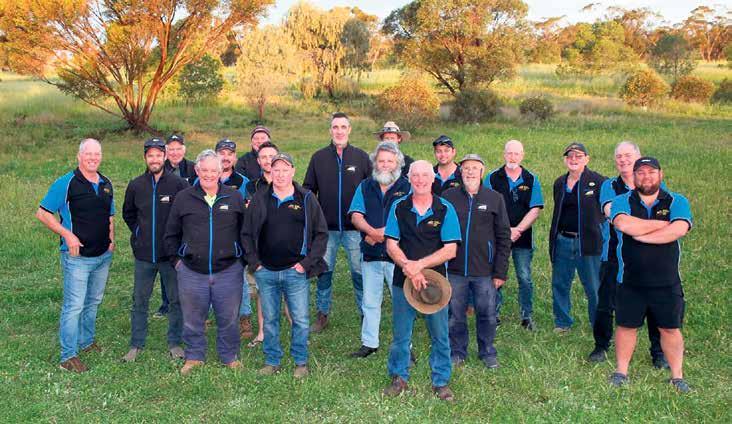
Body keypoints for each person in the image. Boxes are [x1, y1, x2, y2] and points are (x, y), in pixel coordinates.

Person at [608, 157, 692, 393]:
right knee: (626, 326)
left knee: (670, 328)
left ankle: (677, 377)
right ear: (634, 176)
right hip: (630, 280)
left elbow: (679, 229)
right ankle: (621, 372)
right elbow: (624, 225)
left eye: (651, 172)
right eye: (641, 172)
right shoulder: (621, 200)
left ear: (660, 174)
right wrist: (663, 224)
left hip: (666, 282)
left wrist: (643, 235)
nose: (646, 176)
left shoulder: (677, 200)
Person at [242, 153, 328, 378]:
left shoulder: (306, 198)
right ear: (270, 172)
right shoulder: (260, 198)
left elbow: (321, 234)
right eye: (276, 170)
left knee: (300, 319)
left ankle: (300, 361)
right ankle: (272, 361)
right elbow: (246, 233)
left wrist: (306, 264)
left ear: (293, 171)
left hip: (295, 271)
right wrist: (254, 263)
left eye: (285, 169)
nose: (280, 174)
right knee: (270, 319)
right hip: (266, 271)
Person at [382, 160, 461, 401]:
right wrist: (410, 268)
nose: (420, 180)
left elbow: (450, 250)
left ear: (433, 178)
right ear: (409, 178)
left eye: (425, 175)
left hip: (435, 285)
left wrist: (420, 266)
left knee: (440, 335)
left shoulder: (445, 208)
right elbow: (391, 244)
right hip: (403, 281)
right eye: (415, 175)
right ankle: (399, 377)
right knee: (401, 334)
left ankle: (441, 381)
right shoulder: (399, 207)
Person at [163, 150, 246, 375]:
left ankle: (229, 356)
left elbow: (245, 231)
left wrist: (241, 260)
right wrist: (177, 261)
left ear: (220, 172)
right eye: (204, 170)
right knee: (192, 318)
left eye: (213, 170)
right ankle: (194, 356)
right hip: (191, 271)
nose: (209, 174)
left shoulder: (234, 197)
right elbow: (171, 233)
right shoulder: (184, 198)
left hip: (228, 270)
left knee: (228, 317)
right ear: (197, 171)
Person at [36, 138, 115, 373]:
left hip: (102, 256)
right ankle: (67, 356)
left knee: (93, 301)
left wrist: (111, 240)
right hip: (77, 258)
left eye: (97, 154)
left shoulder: (106, 183)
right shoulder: (66, 183)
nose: (93, 158)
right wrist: (67, 235)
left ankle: (86, 342)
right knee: (74, 306)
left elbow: (109, 215)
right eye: (88, 153)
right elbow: (42, 213)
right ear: (79, 156)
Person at [588, 142, 667, 368]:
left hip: (650, 256)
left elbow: (664, 217)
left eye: (628, 155)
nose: (623, 160)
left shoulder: (655, 184)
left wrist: (632, 222)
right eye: (619, 156)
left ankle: (658, 352)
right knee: (606, 304)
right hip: (614, 255)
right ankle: (601, 346)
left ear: (638, 157)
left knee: (653, 304)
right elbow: (614, 216)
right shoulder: (609, 186)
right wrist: (648, 223)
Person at [121, 138, 189, 362]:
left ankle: (175, 343)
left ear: (165, 157)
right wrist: (139, 232)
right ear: (145, 158)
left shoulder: (178, 184)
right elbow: (128, 213)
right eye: (150, 155)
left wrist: (177, 243)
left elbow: (186, 215)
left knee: (176, 300)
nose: (155, 159)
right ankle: (136, 344)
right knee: (140, 300)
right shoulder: (136, 185)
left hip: (170, 256)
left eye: (158, 155)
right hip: (144, 256)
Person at [303, 112, 371, 333]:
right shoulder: (319, 158)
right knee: (324, 272)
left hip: (355, 229)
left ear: (349, 130)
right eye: (335, 127)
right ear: (330, 130)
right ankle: (322, 314)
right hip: (327, 230)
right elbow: (308, 191)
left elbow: (371, 191)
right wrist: (314, 221)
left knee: (359, 273)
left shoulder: (361, 158)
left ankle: (365, 314)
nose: (339, 131)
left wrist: (368, 222)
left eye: (343, 127)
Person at [443, 154, 511, 369]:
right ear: (460, 172)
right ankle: (457, 352)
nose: (470, 172)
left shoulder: (494, 198)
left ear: (482, 172)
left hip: (485, 271)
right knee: (455, 315)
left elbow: (503, 236)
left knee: (487, 314)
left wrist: (500, 272)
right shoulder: (448, 197)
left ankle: (487, 351)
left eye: (474, 168)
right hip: (454, 270)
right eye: (466, 168)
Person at [347, 142, 411, 358]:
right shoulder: (365, 186)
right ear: (375, 162)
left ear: (398, 163)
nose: (385, 165)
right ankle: (369, 343)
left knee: (402, 302)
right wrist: (370, 231)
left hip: (399, 257)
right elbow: (356, 215)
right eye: (381, 161)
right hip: (371, 254)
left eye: (390, 161)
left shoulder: (408, 187)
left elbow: (410, 218)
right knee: (370, 301)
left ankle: (406, 345)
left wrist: (381, 233)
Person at [484, 140, 544, 330]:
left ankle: (527, 316)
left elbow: (535, 209)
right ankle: (494, 315)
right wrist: (506, 231)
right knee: (496, 275)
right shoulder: (492, 178)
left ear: (522, 155)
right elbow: (487, 207)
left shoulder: (531, 179)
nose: (512, 157)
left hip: (522, 238)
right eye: (509, 153)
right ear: (504, 154)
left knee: (524, 277)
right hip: (497, 237)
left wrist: (518, 230)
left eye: (516, 154)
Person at [549, 143, 607, 333]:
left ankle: (598, 325)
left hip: (588, 242)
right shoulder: (559, 183)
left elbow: (607, 210)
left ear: (586, 159)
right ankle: (562, 322)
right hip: (563, 241)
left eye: (578, 156)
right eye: (570, 156)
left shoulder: (599, 182)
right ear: (565, 160)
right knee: (560, 284)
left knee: (593, 287)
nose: (573, 159)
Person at [157, 134, 194, 317]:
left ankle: (189, 302)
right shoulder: (159, 169)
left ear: (184, 150)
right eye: (171, 149)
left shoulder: (194, 168)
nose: (175, 152)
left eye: (178, 149)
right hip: (166, 220)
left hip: (188, 221)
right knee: (167, 262)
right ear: (166, 151)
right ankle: (166, 303)